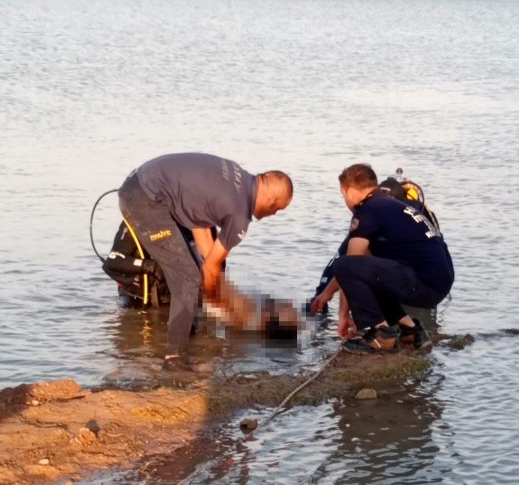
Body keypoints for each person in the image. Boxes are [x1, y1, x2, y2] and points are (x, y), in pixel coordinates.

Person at [117, 152, 293, 370]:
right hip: (146, 200)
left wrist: (216, 281)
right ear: (270, 199)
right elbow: (209, 267)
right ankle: (173, 359)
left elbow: (198, 224)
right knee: (187, 278)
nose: (274, 213)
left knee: (192, 272)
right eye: (278, 208)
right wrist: (216, 297)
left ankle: (183, 333)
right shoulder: (239, 214)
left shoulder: (239, 178)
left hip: (139, 184)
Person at [323, 163, 454, 354]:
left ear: (350, 192)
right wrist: (328, 291)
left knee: (343, 265)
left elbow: (350, 265)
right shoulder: (391, 205)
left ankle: (382, 334)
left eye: (343, 196)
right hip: (439, 282)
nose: (345, 201)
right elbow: (362, 268)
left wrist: (343, 315)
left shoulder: (367, 211)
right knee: (371, 272)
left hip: (423, 284)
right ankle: (411, 330)